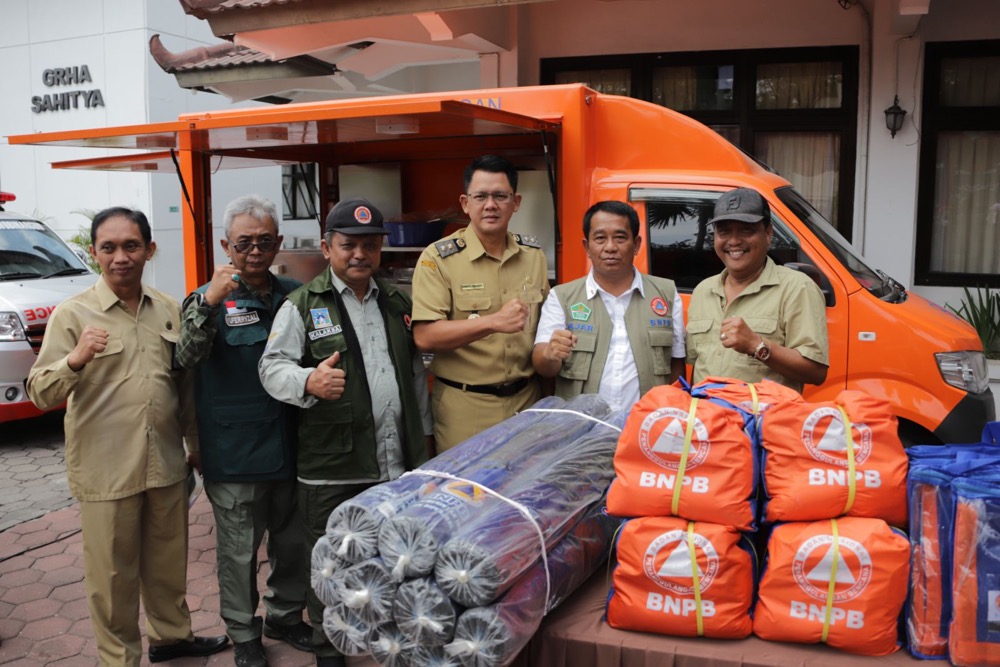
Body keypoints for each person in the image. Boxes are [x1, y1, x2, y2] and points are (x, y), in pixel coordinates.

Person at [26, 207, 228, 666]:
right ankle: (118, 658)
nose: (121, 256)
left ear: (149, 250)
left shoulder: (169, 308)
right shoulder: (72, 315)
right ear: (94, 253)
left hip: (165, 462)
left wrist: (195, 444)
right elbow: (40, 392)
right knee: (112, 575)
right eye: (110, 247)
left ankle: (172, 637)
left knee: (167, 562)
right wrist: (75, 359)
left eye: (131, 245)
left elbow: (185, 385)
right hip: (106, 469)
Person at [258, 198, 433, 667]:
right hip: (332, 468)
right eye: (348, 244)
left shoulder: (396, 302)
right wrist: (309, 381)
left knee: (393, 563)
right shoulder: (302, 306)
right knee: (329, 569)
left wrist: (425, 445)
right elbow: (271, 368)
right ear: (327, 247)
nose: (360, 254)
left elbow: (414, 379)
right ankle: (327, 653)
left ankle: (386, 646)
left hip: (395, 466)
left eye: (370, 244)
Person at [175, 195, 309, 667]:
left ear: (279, 244)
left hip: (292, 444)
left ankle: (286, 615)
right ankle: (242, 630)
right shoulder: (205, 300)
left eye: (265, 241)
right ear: (226, 246)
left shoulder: (297, 294)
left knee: (293, 543)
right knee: (238, 553)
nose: (255, 250)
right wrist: (209, 302)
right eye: (245, 242)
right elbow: (185, 359)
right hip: (233, 450)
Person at [411, 154, 549, 451]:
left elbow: (545, 328)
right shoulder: (438, 259)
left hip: (527, 404)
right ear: (465, 203)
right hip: (466, 409)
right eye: (481, 196)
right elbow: (424, 336)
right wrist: (493, 322)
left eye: (501, 196)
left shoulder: (533, 256)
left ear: (516, 203)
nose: (491, 205)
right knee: (467, 494)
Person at [533, 200, 685, 410]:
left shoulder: (667, 294)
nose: (610, 247)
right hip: (581, 429)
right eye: (600, 238)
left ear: (637, 244)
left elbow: (677, 366)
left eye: (620, 238)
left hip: (644, 428)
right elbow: (542, 364)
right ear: (587, 247)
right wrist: (551, 354)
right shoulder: (561, 297)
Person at [686, 187, 829, 392]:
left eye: (746, 230)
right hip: (706, 419)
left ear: (768, 234)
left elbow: (816, 371)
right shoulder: (703, 291)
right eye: (724, 231)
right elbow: (698, 365)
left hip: (762, 421)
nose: (734, 241)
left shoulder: (798, 288)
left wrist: (757, 345)